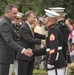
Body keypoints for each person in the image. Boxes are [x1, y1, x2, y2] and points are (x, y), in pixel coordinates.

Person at [31, 9, 67, 75]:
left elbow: (53, 47)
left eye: (45, 17)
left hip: (56, 61)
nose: (44, 19)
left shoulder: (53, 30)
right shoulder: (53, 28)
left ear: (48, 19)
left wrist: (51, 62)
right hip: (56, 60)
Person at [0, 4, 32, 75]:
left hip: (6, 57)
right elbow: (9, 40)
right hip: (4, 57)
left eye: (16, 13)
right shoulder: (5, 23)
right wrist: (23, 50)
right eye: (14, 13)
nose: (16, 15)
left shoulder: (8, 22)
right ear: (8, 12)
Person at [16, 10, 45, 75]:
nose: (35, 19)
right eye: (33, 17)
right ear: (28, 18)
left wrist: (46, 37)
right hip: (24, 56)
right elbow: (29, 39)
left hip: (30, 56)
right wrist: (41, 41)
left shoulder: (29, 27)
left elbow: (35, 34)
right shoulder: (24, 27)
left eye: (35, 17)